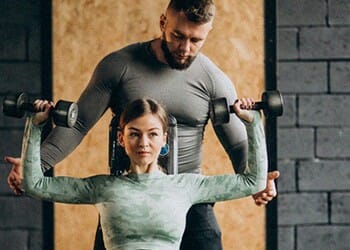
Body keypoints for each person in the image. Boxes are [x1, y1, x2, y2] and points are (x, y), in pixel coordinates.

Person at [5, 0, 280, 249]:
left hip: (189, 197)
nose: (185, 48)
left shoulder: (212, 80)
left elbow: (237, 142)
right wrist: (35, 163)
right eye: (178, 36)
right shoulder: (119, 66)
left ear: (208, 33)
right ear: (163, 23)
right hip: (127, 196)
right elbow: (78, 125)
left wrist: (259, 178)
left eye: (196, 40)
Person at [21, 97, 267, 250]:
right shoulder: (103, 187)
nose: (144, 143)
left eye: (152, 134)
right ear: (121, 138)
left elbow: (253, 181)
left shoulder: (186, 186)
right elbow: (34, 184)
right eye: (134, 133)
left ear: (164, 139)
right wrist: (35, 125)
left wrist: (253, 122)